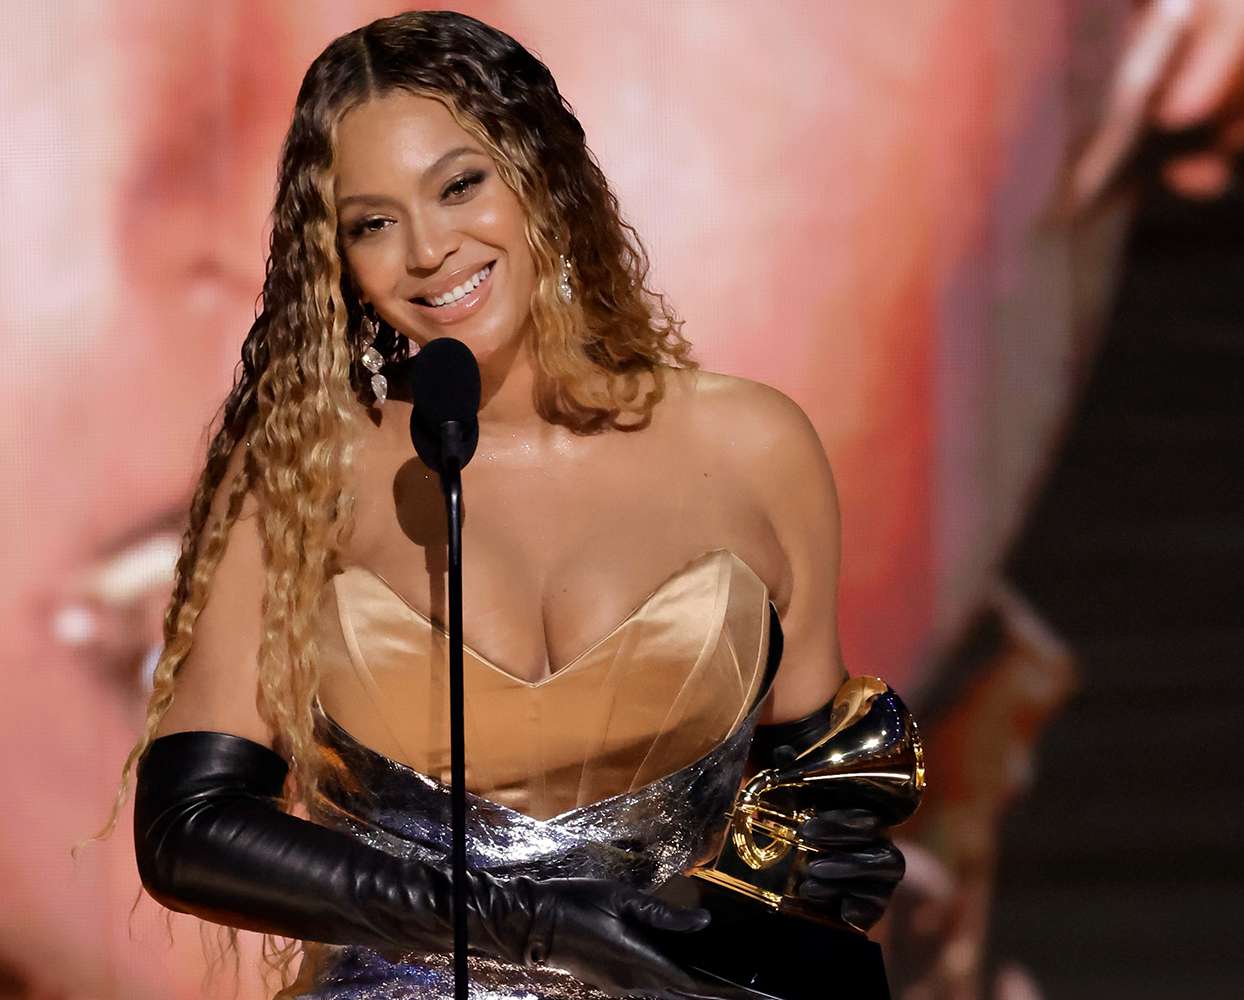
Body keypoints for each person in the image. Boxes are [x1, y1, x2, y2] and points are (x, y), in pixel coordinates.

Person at [112, 12, 908, 1000]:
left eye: (460, 185)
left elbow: (813, 808)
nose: (428, 249)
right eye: (371, 223)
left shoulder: (754, 447)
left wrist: (810, 881)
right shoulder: (303, 466)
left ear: (542, 175)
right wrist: (535, 924)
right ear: (337, 259)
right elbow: (188, 829)